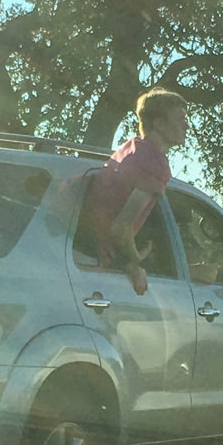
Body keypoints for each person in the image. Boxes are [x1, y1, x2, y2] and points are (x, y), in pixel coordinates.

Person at [82, 87, 188, 295]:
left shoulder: (131, 148)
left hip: (83, 251)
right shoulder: (155, 164)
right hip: (100, 264)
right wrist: (137, 261)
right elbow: (121, 228)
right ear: (158, 122)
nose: (186, 126)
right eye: (180, 119)